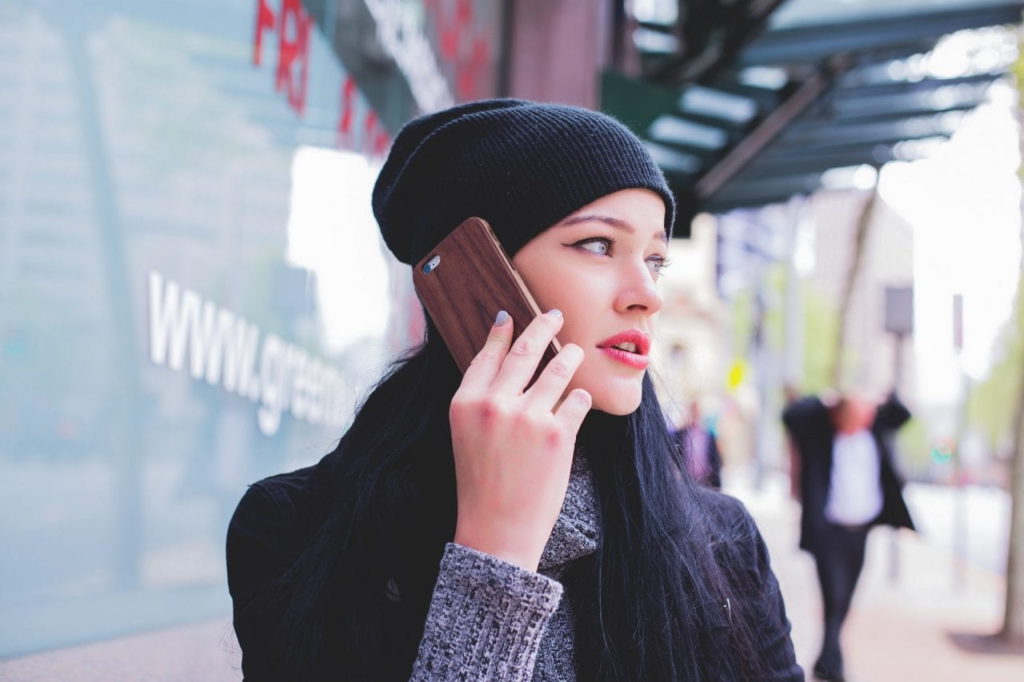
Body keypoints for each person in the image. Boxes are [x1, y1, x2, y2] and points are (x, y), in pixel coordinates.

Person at [227, 99, 803, 681]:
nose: (648, 295)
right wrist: (495, 558)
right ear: (473, 272)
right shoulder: (294, 530)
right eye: (598, 244)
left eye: (656, 259)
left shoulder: (722, 543)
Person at [782, 390, 915, 681]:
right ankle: (833, 666)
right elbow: (790, 416)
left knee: (844, 599)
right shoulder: (820, 433)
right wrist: (823, 400)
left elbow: (904, 413)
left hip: (861, 530)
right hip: (829, 532)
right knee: (834, 595)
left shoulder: (875, 429)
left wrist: (880, 397)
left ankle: (826, 660)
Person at [671, 401, 722, 489]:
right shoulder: (681, 434)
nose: (694, 415)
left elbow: (715, 460)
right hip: (686, 481)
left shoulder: (708, 435)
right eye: (692, 411)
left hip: (706, 482)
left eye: (696, 412)